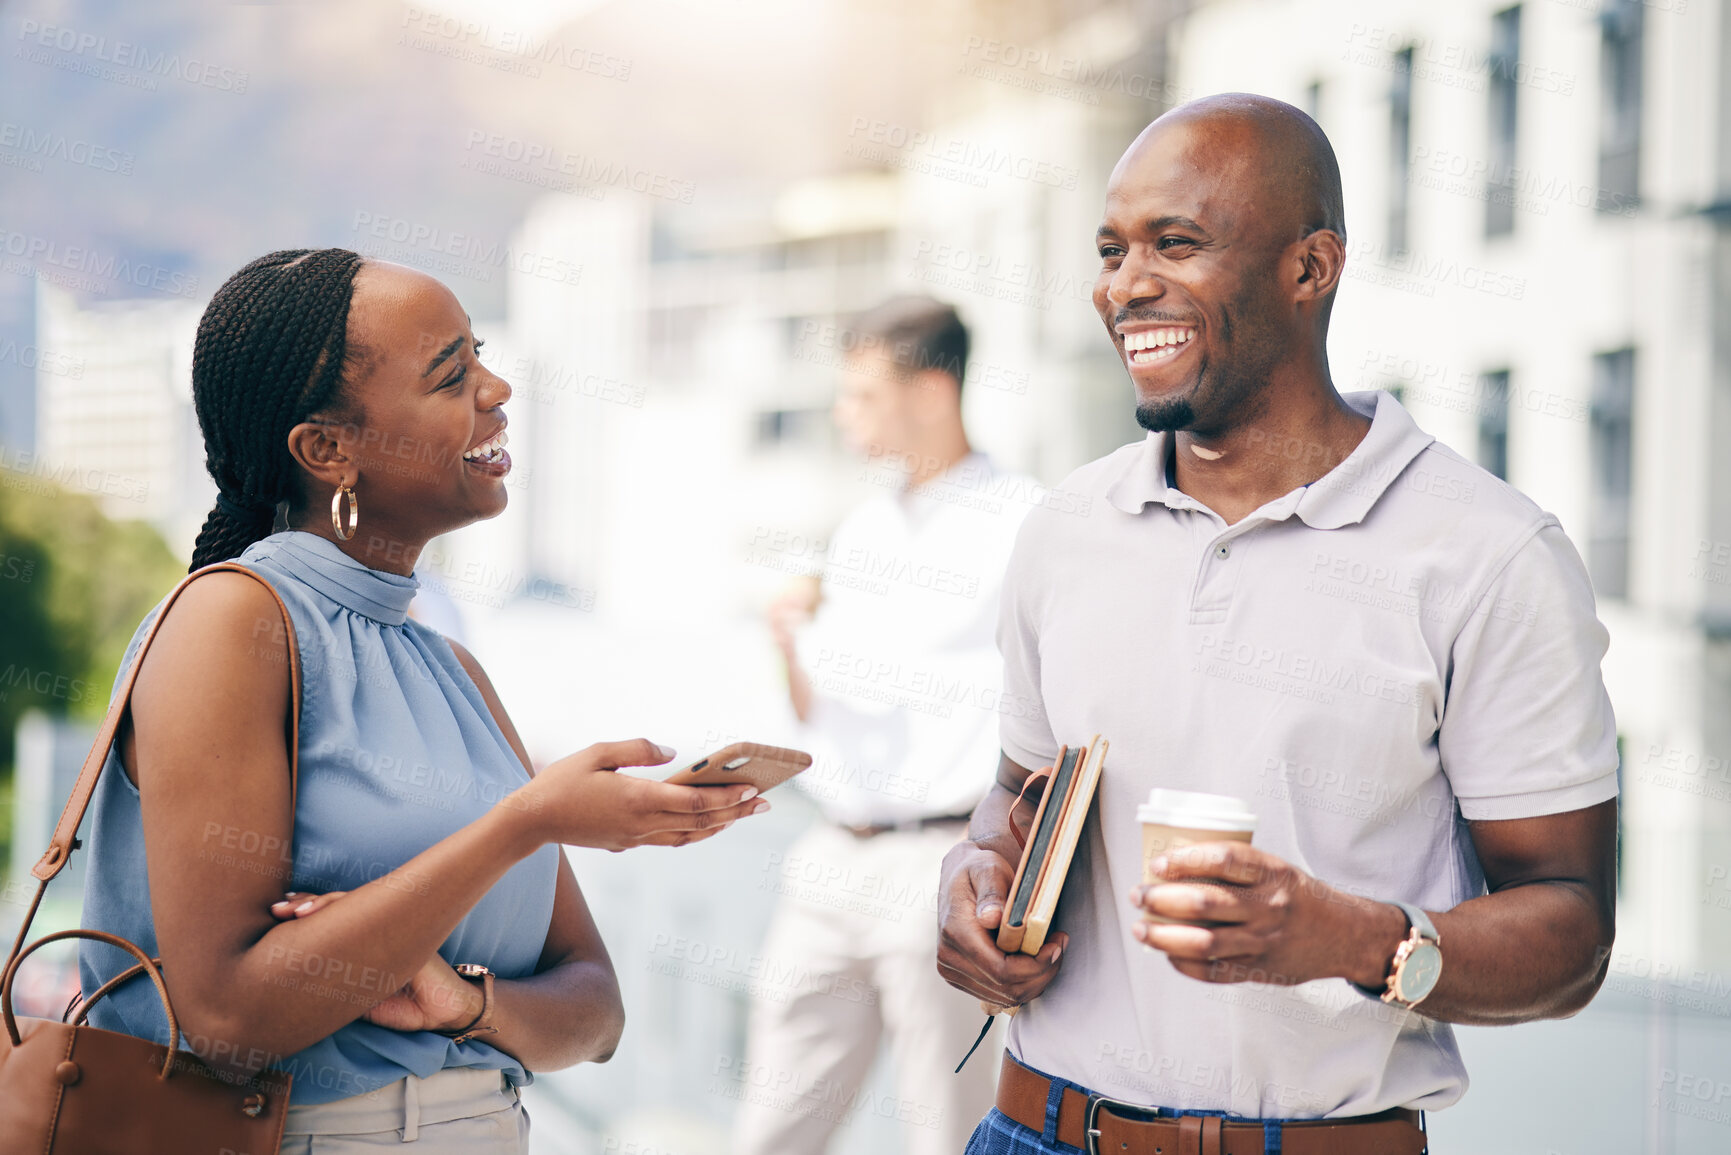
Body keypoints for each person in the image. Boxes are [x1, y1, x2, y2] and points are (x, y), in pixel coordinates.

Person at [937, 94, 1619, 1154]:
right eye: (1113, 250)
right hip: (1034, 1132)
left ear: (1312, 268)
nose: (1126, 287)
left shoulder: (1490, 556)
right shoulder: (1065, 530)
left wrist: (1350, 939)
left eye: (1177, 243)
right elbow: (1011, 800)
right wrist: (971, 886)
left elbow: (1570, 932)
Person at [76, 249, 770, 1154]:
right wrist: (521, 823)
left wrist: (466, 1002)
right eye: (453, 374)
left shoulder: (449, 667)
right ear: (328, 450)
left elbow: (596, 1013)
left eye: (479, 354)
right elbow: (225, 1019)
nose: (498, 386)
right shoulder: (233, 622)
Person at [733, 297, 1033, 1155]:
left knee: (946, 1132)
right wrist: (788, 637)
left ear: (932, 391)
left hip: (942, 859)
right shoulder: (864, 525)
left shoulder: (1023, 520)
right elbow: (816, 708)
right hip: (830, 851)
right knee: (769, 1129)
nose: (842, 413)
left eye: (862, 393)